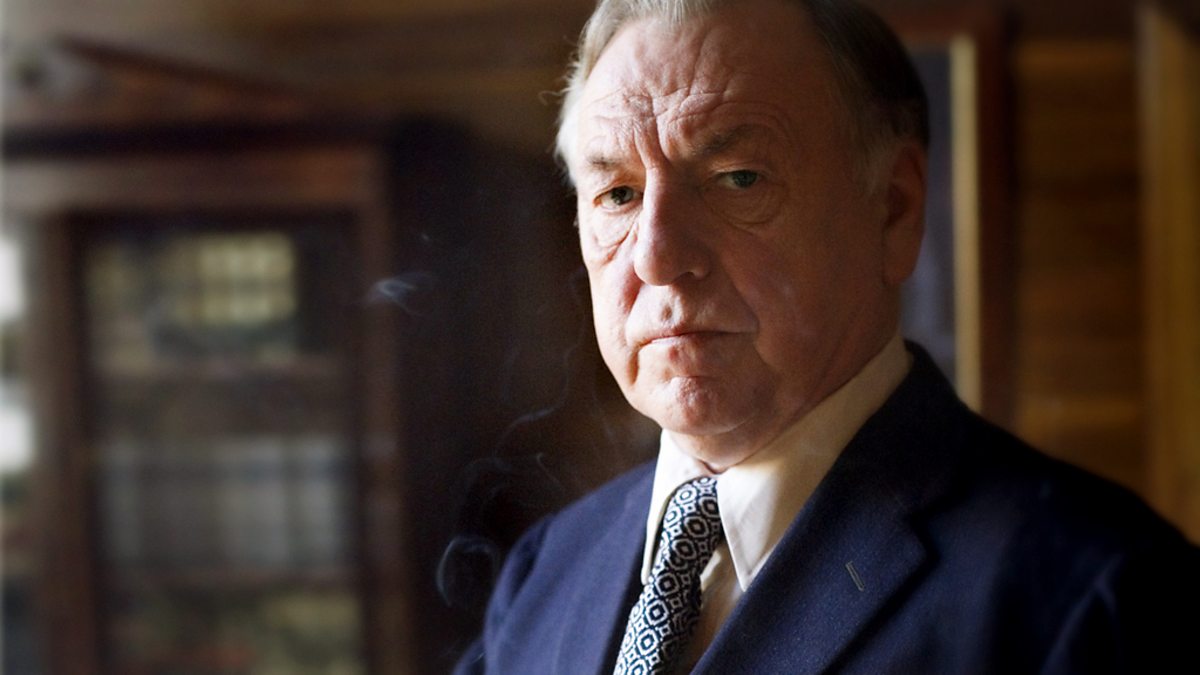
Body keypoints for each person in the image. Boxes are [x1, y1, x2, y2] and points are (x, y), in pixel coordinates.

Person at [455, 0, 1200, 672]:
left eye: (737, 177)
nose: (655, 255)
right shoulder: (545, 576)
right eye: (618, 193)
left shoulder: (1096, 599)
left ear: (894, 210)